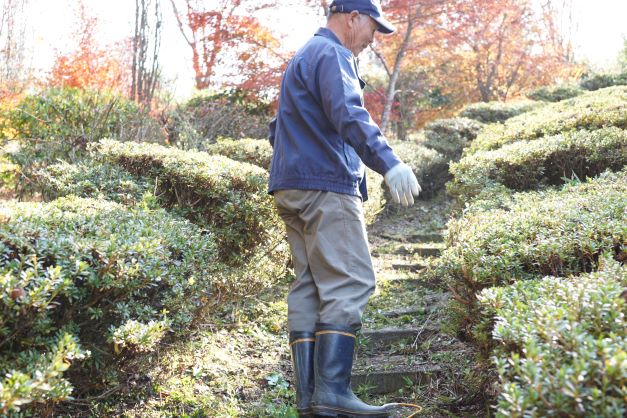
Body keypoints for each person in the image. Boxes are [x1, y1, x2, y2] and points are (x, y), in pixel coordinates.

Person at [268, 0, 421, 416]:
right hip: (325, 187)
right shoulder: (332, 54)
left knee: (310, 285)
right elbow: (349, 114)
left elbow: (278, 127)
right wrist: (389, 163)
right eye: (374, 27)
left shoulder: (303, 55)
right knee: (351, 279)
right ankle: (332, 394)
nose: (374, 38)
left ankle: (310, 399)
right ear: (352, 17)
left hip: (291, 186)